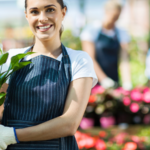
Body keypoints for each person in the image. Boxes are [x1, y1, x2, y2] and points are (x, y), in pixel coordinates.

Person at [0, 0, 98, 149]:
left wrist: (12, 135)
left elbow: (69, 124)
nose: (43, 18)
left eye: (50, 10)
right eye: (34, 11)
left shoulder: (78, 60)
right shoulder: (11, 59)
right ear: (26, 15)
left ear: (63, 12)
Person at [80, 0, 132, 90]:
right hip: (94, 82)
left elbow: (124, 59)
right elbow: (89, 58)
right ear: (106, 11)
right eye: (113, 16)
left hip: (114, 79)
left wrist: (127, 81)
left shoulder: (121, 33)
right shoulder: (91, 30)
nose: (114, 20)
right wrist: (104, 80)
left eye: (117, 17)